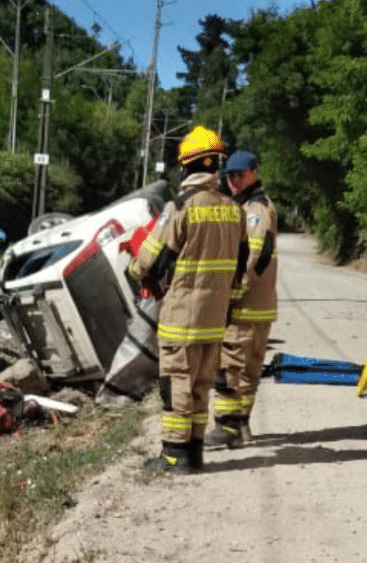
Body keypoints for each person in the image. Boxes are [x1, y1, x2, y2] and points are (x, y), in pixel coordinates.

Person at [129, 125, 247, 473]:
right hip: (215, 318)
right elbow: (240, 268)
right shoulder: (234, 210)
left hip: (182, 315)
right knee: (200, 386)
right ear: (217, 167)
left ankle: (173, 456)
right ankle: (195, 453)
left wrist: (135, 268)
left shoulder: (179, 207)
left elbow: (151, 260)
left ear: (186, 167)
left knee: (176, 385)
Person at [205, 150, 278, 448]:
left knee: (228, 367)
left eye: (239, 174)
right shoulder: (255, 205)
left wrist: (233, 292)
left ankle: (226, 426)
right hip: (261, 306)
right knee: (249, 371)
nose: (234, 181)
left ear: (253, 172)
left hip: (245, 304)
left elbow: (255, 256)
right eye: (230, 176)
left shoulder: (254, 209)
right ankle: (241, 424)